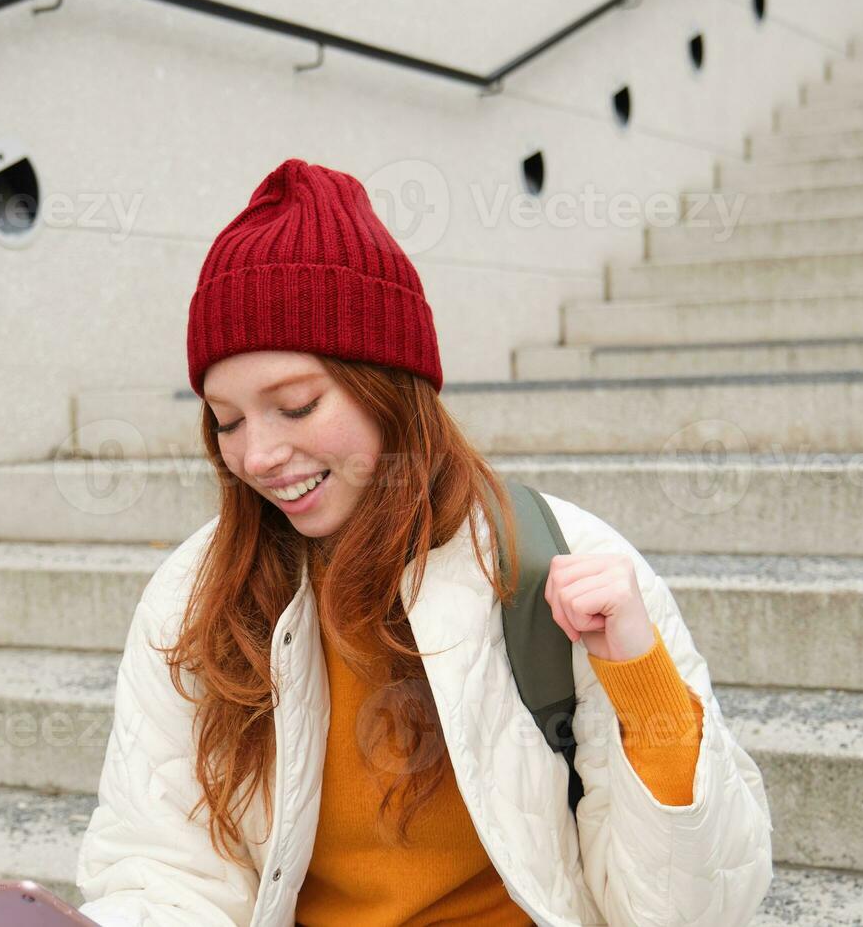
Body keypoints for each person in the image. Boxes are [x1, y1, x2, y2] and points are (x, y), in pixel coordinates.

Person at [74, 158, 771, 926]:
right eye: (228, 420)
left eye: (296, 406)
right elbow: (158, 865)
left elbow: (697, 911)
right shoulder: (192, 595)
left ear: (390, 387)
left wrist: (645, 687)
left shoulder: (561, 560)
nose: (257, 456)